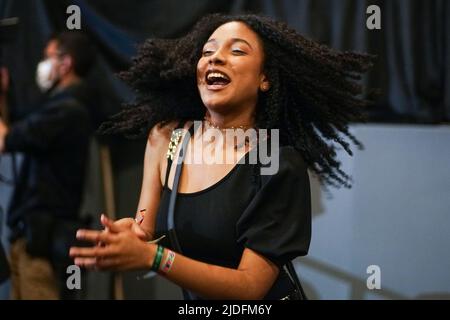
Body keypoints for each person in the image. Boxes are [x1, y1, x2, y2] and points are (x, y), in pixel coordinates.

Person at [70, 14, 373, 299]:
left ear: (264, 78)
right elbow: (145, 230)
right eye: (207, 51)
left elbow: (250, 286)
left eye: (238, 51)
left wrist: (154, 257)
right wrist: (128, 239)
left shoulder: (276, 162)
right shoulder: (167, 139)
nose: (215, 57)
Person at [0, 31, 95, 299]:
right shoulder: (57, 107)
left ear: (66, 64)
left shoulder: (67, 111)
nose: (42, 65)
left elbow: (6, 140)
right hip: (30, 238)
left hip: (41, 244)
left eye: (48, 57)